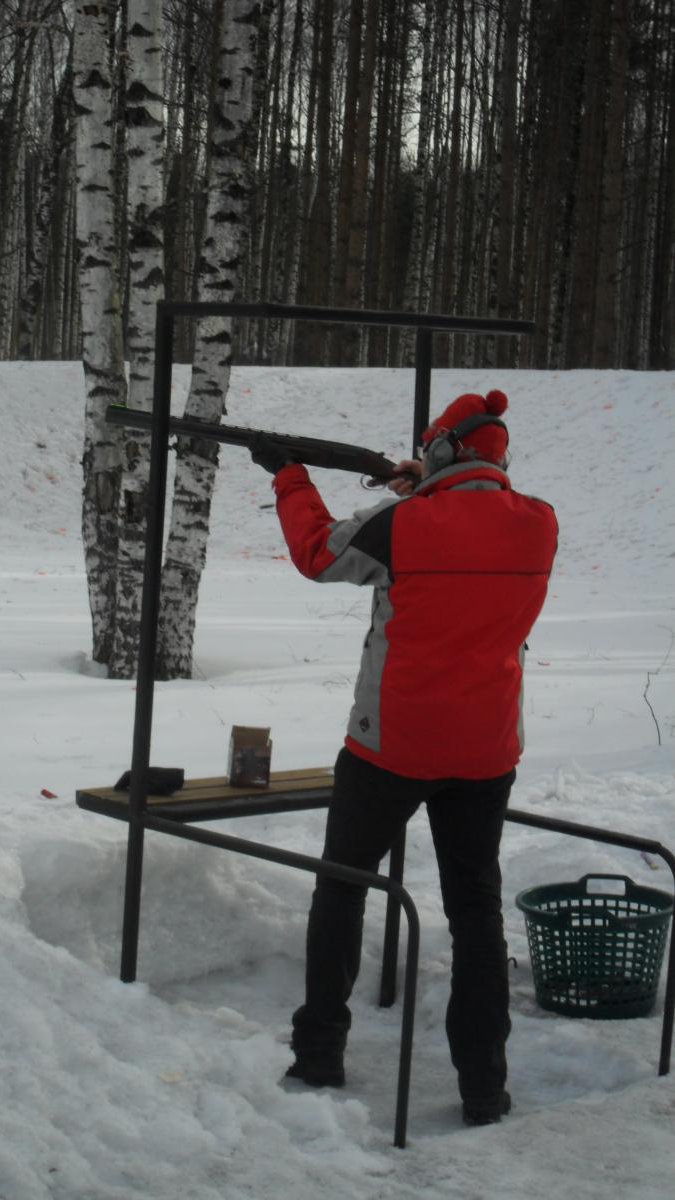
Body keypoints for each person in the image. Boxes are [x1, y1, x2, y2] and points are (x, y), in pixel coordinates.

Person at [250, 389, 558, 1126]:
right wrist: (427, 487)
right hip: (486, 749)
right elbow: (467, 529)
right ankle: (483, 1086)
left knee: (343, 886)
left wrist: (290, 476)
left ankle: (320, 1053)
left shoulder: (400, 524)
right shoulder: (540, 523)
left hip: (392, 743)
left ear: (443, 450)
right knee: (475, 910)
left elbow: (317, 552)